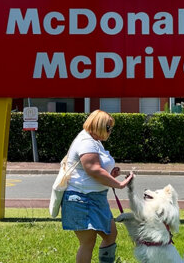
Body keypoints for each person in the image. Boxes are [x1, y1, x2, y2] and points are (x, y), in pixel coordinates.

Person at [61, 109, 134, 263]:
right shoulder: (86, 141)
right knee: (88, 242)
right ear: (98, 125)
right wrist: (119, 184)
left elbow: (97, 169)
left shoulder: (95, 141)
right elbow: (93, 169)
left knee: (110, 235)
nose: (110, 131)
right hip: (81, 198)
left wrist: (110, 175)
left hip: (96, 198)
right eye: (108, 127)